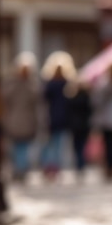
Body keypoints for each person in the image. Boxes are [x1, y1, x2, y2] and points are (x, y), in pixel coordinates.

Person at [1, 52, 41, 181]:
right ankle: (19, 169)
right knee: (16, 148)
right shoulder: (13, 83)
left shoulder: (31, 84)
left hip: (25, 120)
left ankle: (20, 170)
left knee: (22, 148)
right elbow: (5, 98)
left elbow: (36, 102)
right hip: (15, 120)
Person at [40, 51, 76, 179]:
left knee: (53, 144)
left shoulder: (51, 85)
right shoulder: (66, 85)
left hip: (54, 118)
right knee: (57, 145)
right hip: (58, 119)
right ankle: (53, 167)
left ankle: (52, 167)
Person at [65, 78, 93, 174]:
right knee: (82, 146)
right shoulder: (87, 98)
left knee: (77, 146)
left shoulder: (73, 98)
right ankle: (81, 164)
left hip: (76, 126)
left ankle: (79, 164)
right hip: (84, 125)